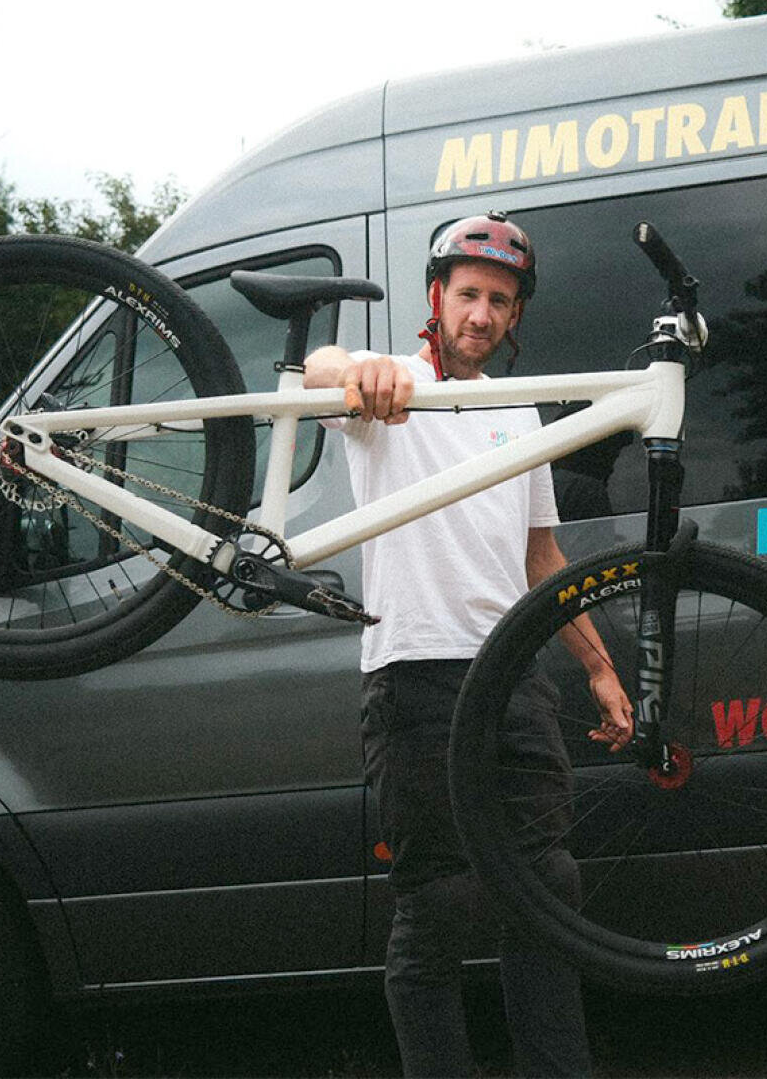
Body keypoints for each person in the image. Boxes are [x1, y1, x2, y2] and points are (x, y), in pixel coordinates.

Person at [302, 211, 633, 1078]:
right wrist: (353, 366)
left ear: (515, 315)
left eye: (500, 301)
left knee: (546, 897)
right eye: (469, 295)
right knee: (438, 909)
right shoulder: (391, 389)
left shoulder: (516, 409)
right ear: (436, 297)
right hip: (414, 681)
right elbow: (318, 370)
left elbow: (541, 557)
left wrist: (596, 667)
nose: (482, 314)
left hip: (514, 678)